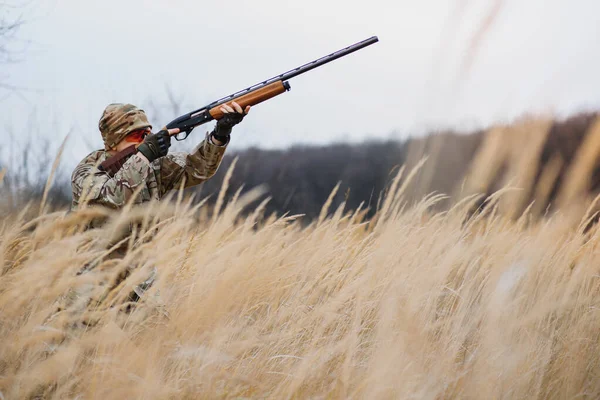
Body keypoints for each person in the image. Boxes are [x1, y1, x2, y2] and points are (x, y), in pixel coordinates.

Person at [71, 101, 250, 210]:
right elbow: (113, 198)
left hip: (142, 271)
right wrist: (145, 155)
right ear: (113, 141)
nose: (145, 140)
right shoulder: (87, 171)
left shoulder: (153, 166)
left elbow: (198, 168)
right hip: (97, 271)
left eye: (148, 134)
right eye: (137, 135)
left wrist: (220, 134)